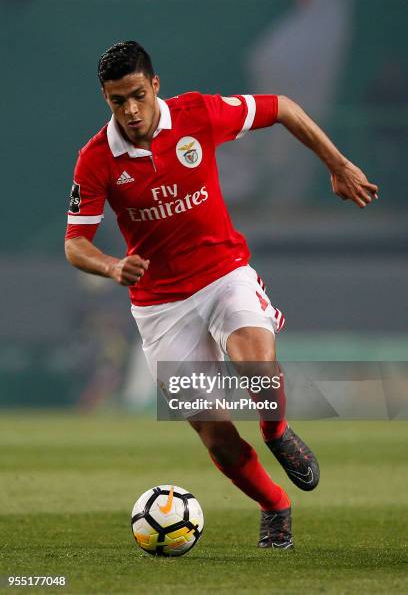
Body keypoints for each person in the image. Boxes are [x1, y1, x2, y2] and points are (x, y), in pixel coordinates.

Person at [64, 41, 378, 550]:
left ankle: (277, 432)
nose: (131, 110)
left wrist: (338, 164)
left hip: (223, 273)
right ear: (106, 99)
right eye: (117, 101)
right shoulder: (96, 159)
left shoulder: (198, 114)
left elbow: (283, 108)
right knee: (217, 437)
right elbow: (75, 242)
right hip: (159, 306)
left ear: (155, 85)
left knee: (256, 368)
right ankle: (275, 505)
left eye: (138, 95)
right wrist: (111, 265)